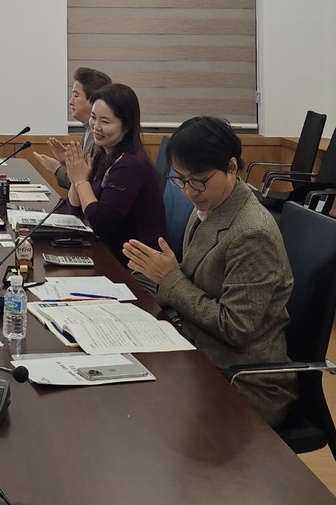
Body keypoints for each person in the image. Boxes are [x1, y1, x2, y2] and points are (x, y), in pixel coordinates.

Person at [122, 116, 298, 427]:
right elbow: (192, 277)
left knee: (140, 417)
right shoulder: (211, 204)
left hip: (244, 382)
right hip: (201, 355)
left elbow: (236, 327)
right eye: (181, 179)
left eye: (199, 180)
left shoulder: (252, 233)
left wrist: (169, 278)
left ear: (232, 167)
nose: (190, 191)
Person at [60, 82, 165, 261]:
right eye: (93, 117)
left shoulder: (131, 165)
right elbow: (77, 210)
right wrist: (75, 176)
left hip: (134, 264)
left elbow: (101, 224)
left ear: (127, 126)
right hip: (108, 252)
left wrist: (80, 181)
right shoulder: (103, 154)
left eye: (105, 121)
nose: (96, 126)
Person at [35, 67, 112, 188]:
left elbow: (85, 183)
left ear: (93, 100)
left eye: (76, 96)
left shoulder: (101, 137)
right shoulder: (88, 131)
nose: (70, 102)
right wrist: (69, 160)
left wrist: (57, 168)